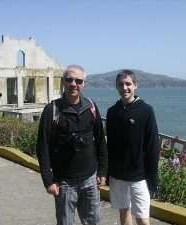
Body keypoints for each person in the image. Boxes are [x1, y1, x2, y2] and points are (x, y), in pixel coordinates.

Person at [36, 65, 108, 225]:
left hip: (90, 179)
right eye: (69, 79)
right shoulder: (52, 110)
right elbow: (42, 148)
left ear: (84, 83)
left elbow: (100, 141)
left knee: (92, 222)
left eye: (78, 80)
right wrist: (48, 181)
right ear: (63, 81)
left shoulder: (91, 106)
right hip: (64, 182)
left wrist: (103, 171)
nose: (73, 84)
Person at [106, 70, 160, 225]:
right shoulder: (112, 112)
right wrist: (108, 173)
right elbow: (110, 145)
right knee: (124, 212)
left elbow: (152, 146)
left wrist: (152, 177)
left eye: (128, 84)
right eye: (121, 84)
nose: (125, 88)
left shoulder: (146, 110)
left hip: (139, 176)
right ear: (116, 86)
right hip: (117, 175)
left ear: (135, 85)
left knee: (143, 217)